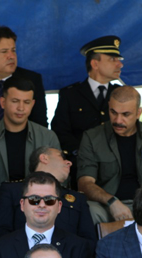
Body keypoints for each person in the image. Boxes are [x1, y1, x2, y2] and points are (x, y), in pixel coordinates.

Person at [76, 85, 142, 224]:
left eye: (126, 114)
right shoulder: (92, 137)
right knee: (89, 213)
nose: (118, 120)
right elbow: (85, 183)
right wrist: (112, 202)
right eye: (113, 112)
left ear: (138, 113)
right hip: (106, 206)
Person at [0, 75, 60, 202]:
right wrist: (4, 197)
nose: (21, 108)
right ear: (3, 103)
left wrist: (33, 198)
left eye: (26, 102)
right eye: (15, 101)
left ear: (32, 104)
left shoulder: (48, 137)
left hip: (38, 205)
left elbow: (59, 177)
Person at [52, 36, 123, 175]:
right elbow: (60, 131)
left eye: (119, 60)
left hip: (117, 168)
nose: (120, 64)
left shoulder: (121, 94)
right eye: (112, 59)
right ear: (95, 64)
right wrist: (82, 153)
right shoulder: (70, 95)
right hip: (81, 169)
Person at [0, 146, 95, 240]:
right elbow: (1, 233)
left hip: (67, 254)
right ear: (44, 158)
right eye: (62, 157)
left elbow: (88, 241)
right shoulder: (11, 190)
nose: (69, 163)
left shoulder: (78, 198)